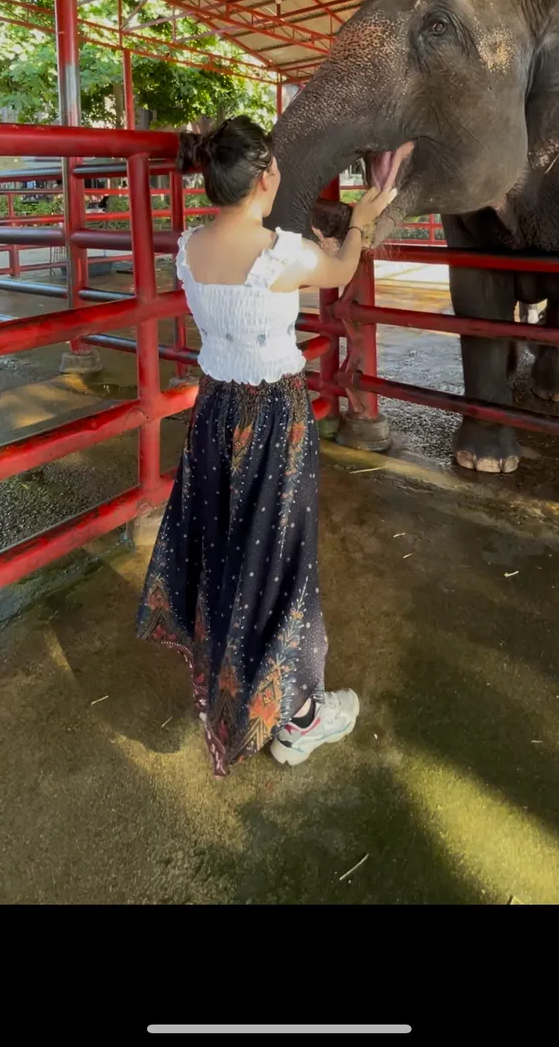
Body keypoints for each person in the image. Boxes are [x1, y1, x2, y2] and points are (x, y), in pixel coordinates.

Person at [136, 115, 397, 776]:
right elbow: (341, 264)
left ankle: (236, 679)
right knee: (281, 558)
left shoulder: (188, 246)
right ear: (267, 176)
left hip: (216, 412)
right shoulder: (279, 253)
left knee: (227, 549)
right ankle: (300, 717)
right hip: (275, 420)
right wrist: (364, 213)